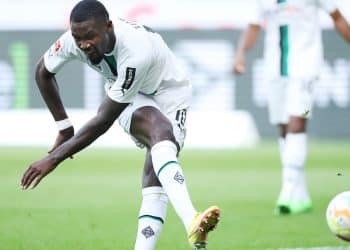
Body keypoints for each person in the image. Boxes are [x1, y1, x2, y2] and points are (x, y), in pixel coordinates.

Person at [20, 0, 220, 249]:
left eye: (90, 36)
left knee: (155, 172)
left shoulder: (136, 50)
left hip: (171, 93)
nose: (83, 44)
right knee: (161, 133)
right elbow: (42, 72)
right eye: (77, 37)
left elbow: (103, 120)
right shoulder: (74, 41)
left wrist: (54, 158)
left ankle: (174, 235)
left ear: (109, 27)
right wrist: (64, 126)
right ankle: (192, 220)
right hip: (131, 94)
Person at [233, 0, 350, 215]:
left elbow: (338, 18)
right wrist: (240, 53)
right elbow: (253, 25)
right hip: (275, 69)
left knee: (297, 119)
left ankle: (287, 191)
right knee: (284, 127)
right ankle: (301, 195)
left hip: (305, 66)